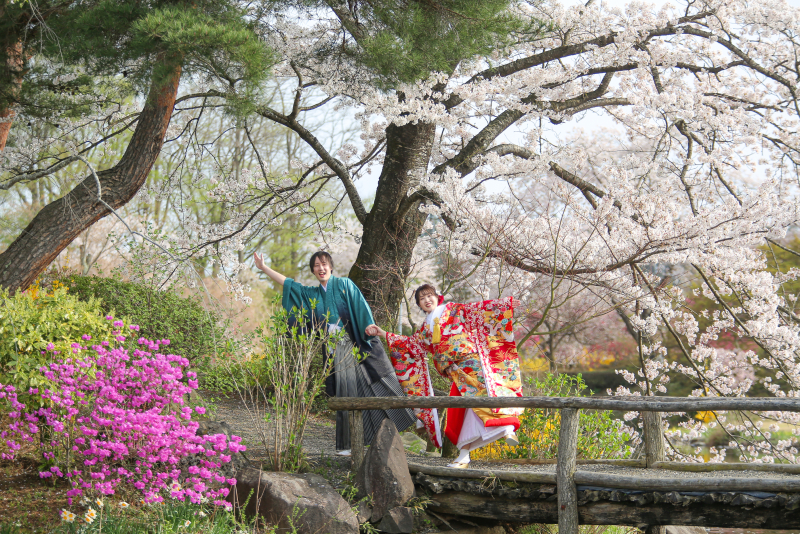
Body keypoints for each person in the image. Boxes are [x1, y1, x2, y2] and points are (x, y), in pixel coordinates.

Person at [254, 250, 416, 455]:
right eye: (316, 265)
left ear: (330, 266)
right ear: (313, 270)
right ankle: (348, 444)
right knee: (346, 394)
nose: (321, 268)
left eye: (324, 264)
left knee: (377, 382)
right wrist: (264, 268)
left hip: (356, 341)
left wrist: (368, 326)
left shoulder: (344, 285)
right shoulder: (312, 294)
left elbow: (360, 306)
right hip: (335, 349)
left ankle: (390, 433)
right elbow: (289, 285)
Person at [367, 284, 523, 468]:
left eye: (429, 295)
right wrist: (383, 333)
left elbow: (479, 310)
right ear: (420, 305)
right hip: (454, 371)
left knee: (482, 398)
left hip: (471, 364)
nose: (427, 300)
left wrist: (505, 304)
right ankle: (470, 452)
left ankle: (506, 429)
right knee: (460, 411)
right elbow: (410, 345)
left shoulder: (454, 310)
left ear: (437, 297)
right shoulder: (426, 328)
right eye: (422, 299)